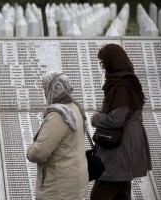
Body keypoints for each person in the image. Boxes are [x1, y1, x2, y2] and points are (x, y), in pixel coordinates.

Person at [90, 43, 152, 200]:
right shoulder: (128, 81)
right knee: (121, 194)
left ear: (112, 61)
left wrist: (96, 118)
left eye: (103, 62)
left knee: (99, 195)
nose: (103, 66)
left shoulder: (120, 85)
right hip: (127, 147)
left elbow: (116, 118)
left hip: (119, 151)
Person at [27, 72, 89, 200]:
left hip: (58, 186)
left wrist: (30, 150)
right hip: (74, 180)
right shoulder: (75, 107)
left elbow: (39, 152)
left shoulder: (58, 115)